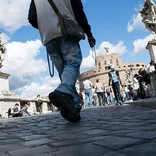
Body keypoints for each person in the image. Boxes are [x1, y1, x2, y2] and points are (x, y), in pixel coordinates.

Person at [28, 0, 96, 122]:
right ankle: (63, 91)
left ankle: (74, 105)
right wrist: (89, 33)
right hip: (66, 30)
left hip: (48, 36)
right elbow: (79, 12)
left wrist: (46, 25)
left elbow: (32, 18)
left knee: (64, 73)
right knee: (72, 63)